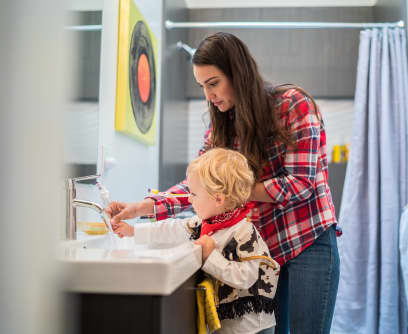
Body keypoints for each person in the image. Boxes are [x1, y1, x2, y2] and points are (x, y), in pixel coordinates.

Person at [107, 32, 340, 334]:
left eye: (213, 83)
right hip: (263, 249)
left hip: (307, 240)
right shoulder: (220, 126)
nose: (208, 95)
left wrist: (231, 188)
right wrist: (145, 206)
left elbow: (300, 183)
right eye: (202, 86)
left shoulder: (293, 104)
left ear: (238, 74)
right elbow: (199, 186)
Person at [112, 148, 279, 334]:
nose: (189, 199)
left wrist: (210, 257)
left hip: (251, 327)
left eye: (194, 194)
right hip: (229, 324)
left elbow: (246, 278)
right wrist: (133, 231)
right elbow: (173, 228)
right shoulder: (206, 222)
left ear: (218, 199)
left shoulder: (244, 233)